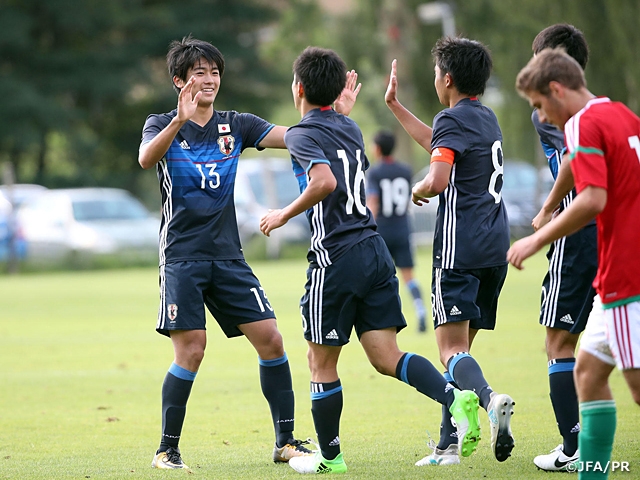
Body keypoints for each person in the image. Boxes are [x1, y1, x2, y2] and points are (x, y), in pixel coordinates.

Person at [138, 35, 359, 470]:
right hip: (182, 257)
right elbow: (147, 159)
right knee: (192, 350)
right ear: (179, 80)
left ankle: (285, 441)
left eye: (215, 72)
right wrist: (177, 123)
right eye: (199, 72)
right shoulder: (160, 122)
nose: (209, 79)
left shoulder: (235, 125)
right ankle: (167, 449)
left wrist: (332, 117)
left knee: (272, 340)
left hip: (228, 256)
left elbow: (292, 136)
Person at [259, 45, 481, 475]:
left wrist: (283, 214)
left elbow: (323, 181)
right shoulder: (350, 128)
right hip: (374, 251)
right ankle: (455, 397)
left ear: (298, 88)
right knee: (385, 355)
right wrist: (338, 111)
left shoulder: (305, 133)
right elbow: (332, 136)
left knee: (320, 362)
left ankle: (331, 459)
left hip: (335, 257)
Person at [384, 37, 516, 466]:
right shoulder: (484, 117)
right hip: (495, 247)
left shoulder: (451, 119)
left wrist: (420, 190)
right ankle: (447, 447)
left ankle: (490, 399)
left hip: (461, 249)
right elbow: (440, 143)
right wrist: (397, 107)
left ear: (448, 79)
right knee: (460, 354)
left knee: (449, 351)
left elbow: (437, 179)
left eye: (438, 73)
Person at [510, 48, 640, 480]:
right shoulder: (620, 113)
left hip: (628, 274)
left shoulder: (583, 121)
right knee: (587, 371)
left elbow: (593, 198)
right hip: (614, 276)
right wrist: (547, 207)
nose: (543, 117)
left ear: (556, 89)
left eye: (539, 105)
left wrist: (536, 239)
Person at [527, 24, 598, 472]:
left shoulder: (554, 114)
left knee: (558, 342)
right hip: (610, 234)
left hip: (576, 236)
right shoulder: (601, 109)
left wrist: (546, 211)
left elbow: (572, 158)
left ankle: (573, 450)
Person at [366, 130, 428, 332]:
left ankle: (381, 317)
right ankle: (420, 309)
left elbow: (373, 202)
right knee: (408, 276)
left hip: (382, 230)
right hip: (402, 228)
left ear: (377, 149)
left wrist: (367, 226)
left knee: (377, 277)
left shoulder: (375, 172)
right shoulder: (405, 170)